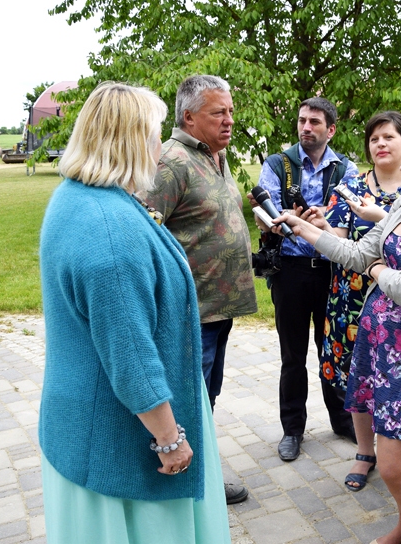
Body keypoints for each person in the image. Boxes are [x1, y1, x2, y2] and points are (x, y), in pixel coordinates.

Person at [38, 82, 230, 543]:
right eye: (154, 132)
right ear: (131, 140)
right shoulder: (110, 231)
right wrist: (170, 439)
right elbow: (129, 355)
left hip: (82, 417)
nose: (160, 144)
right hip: (117, 440)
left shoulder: (78, 195)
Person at [273, 121, 401, 544]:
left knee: (392, 467)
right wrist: (303, 228)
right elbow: (357, 252)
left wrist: (377, 270)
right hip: (377, 345)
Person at [145, 74, 257, 505]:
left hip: (217, 309)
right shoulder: (171, 163)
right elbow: (146, 235)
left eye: (230, 111)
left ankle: (200, 477)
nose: (229, 120)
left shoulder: (215, 154)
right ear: (189, 117)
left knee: (206, 397)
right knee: (190, 399)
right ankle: (185, 486)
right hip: (191, 312)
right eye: (218, 113)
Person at [257, 97, 359, 462]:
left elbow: (351, 217)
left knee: (333, 351)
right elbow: (263, 212)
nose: (306, 127)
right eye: (302, 120)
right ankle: (292, 430)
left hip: (333, 271)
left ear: (331, 129)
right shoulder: (277, 164)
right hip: (290, 270)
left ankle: (342, 421)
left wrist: (320, 221)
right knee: (292, 355)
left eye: (314, 122)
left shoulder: (346, 169)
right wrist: (281, 221)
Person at [316, 111, 401, 491]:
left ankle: (400, 455)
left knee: (397, 380)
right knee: (357, 379)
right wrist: (319, 228)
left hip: (400, 301)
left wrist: (382, 218)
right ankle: (365, 452)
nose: (380, 144)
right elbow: (337, 244)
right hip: (351, 300)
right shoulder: (351, 187)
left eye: (388, 137)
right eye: (374, 139)